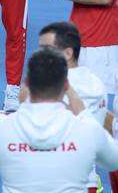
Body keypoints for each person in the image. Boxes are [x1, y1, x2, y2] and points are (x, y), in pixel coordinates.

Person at [0, 47, 118, 192]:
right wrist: (84, 114)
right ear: (66, 85)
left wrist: (22, 104)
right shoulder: (88, 130)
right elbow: (114, 161)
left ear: (26, 83)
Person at [37, 22, 112, 192]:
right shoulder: (96, 83)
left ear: (68, 53)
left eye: (46, 49)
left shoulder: (53, 87)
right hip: (86, 180)